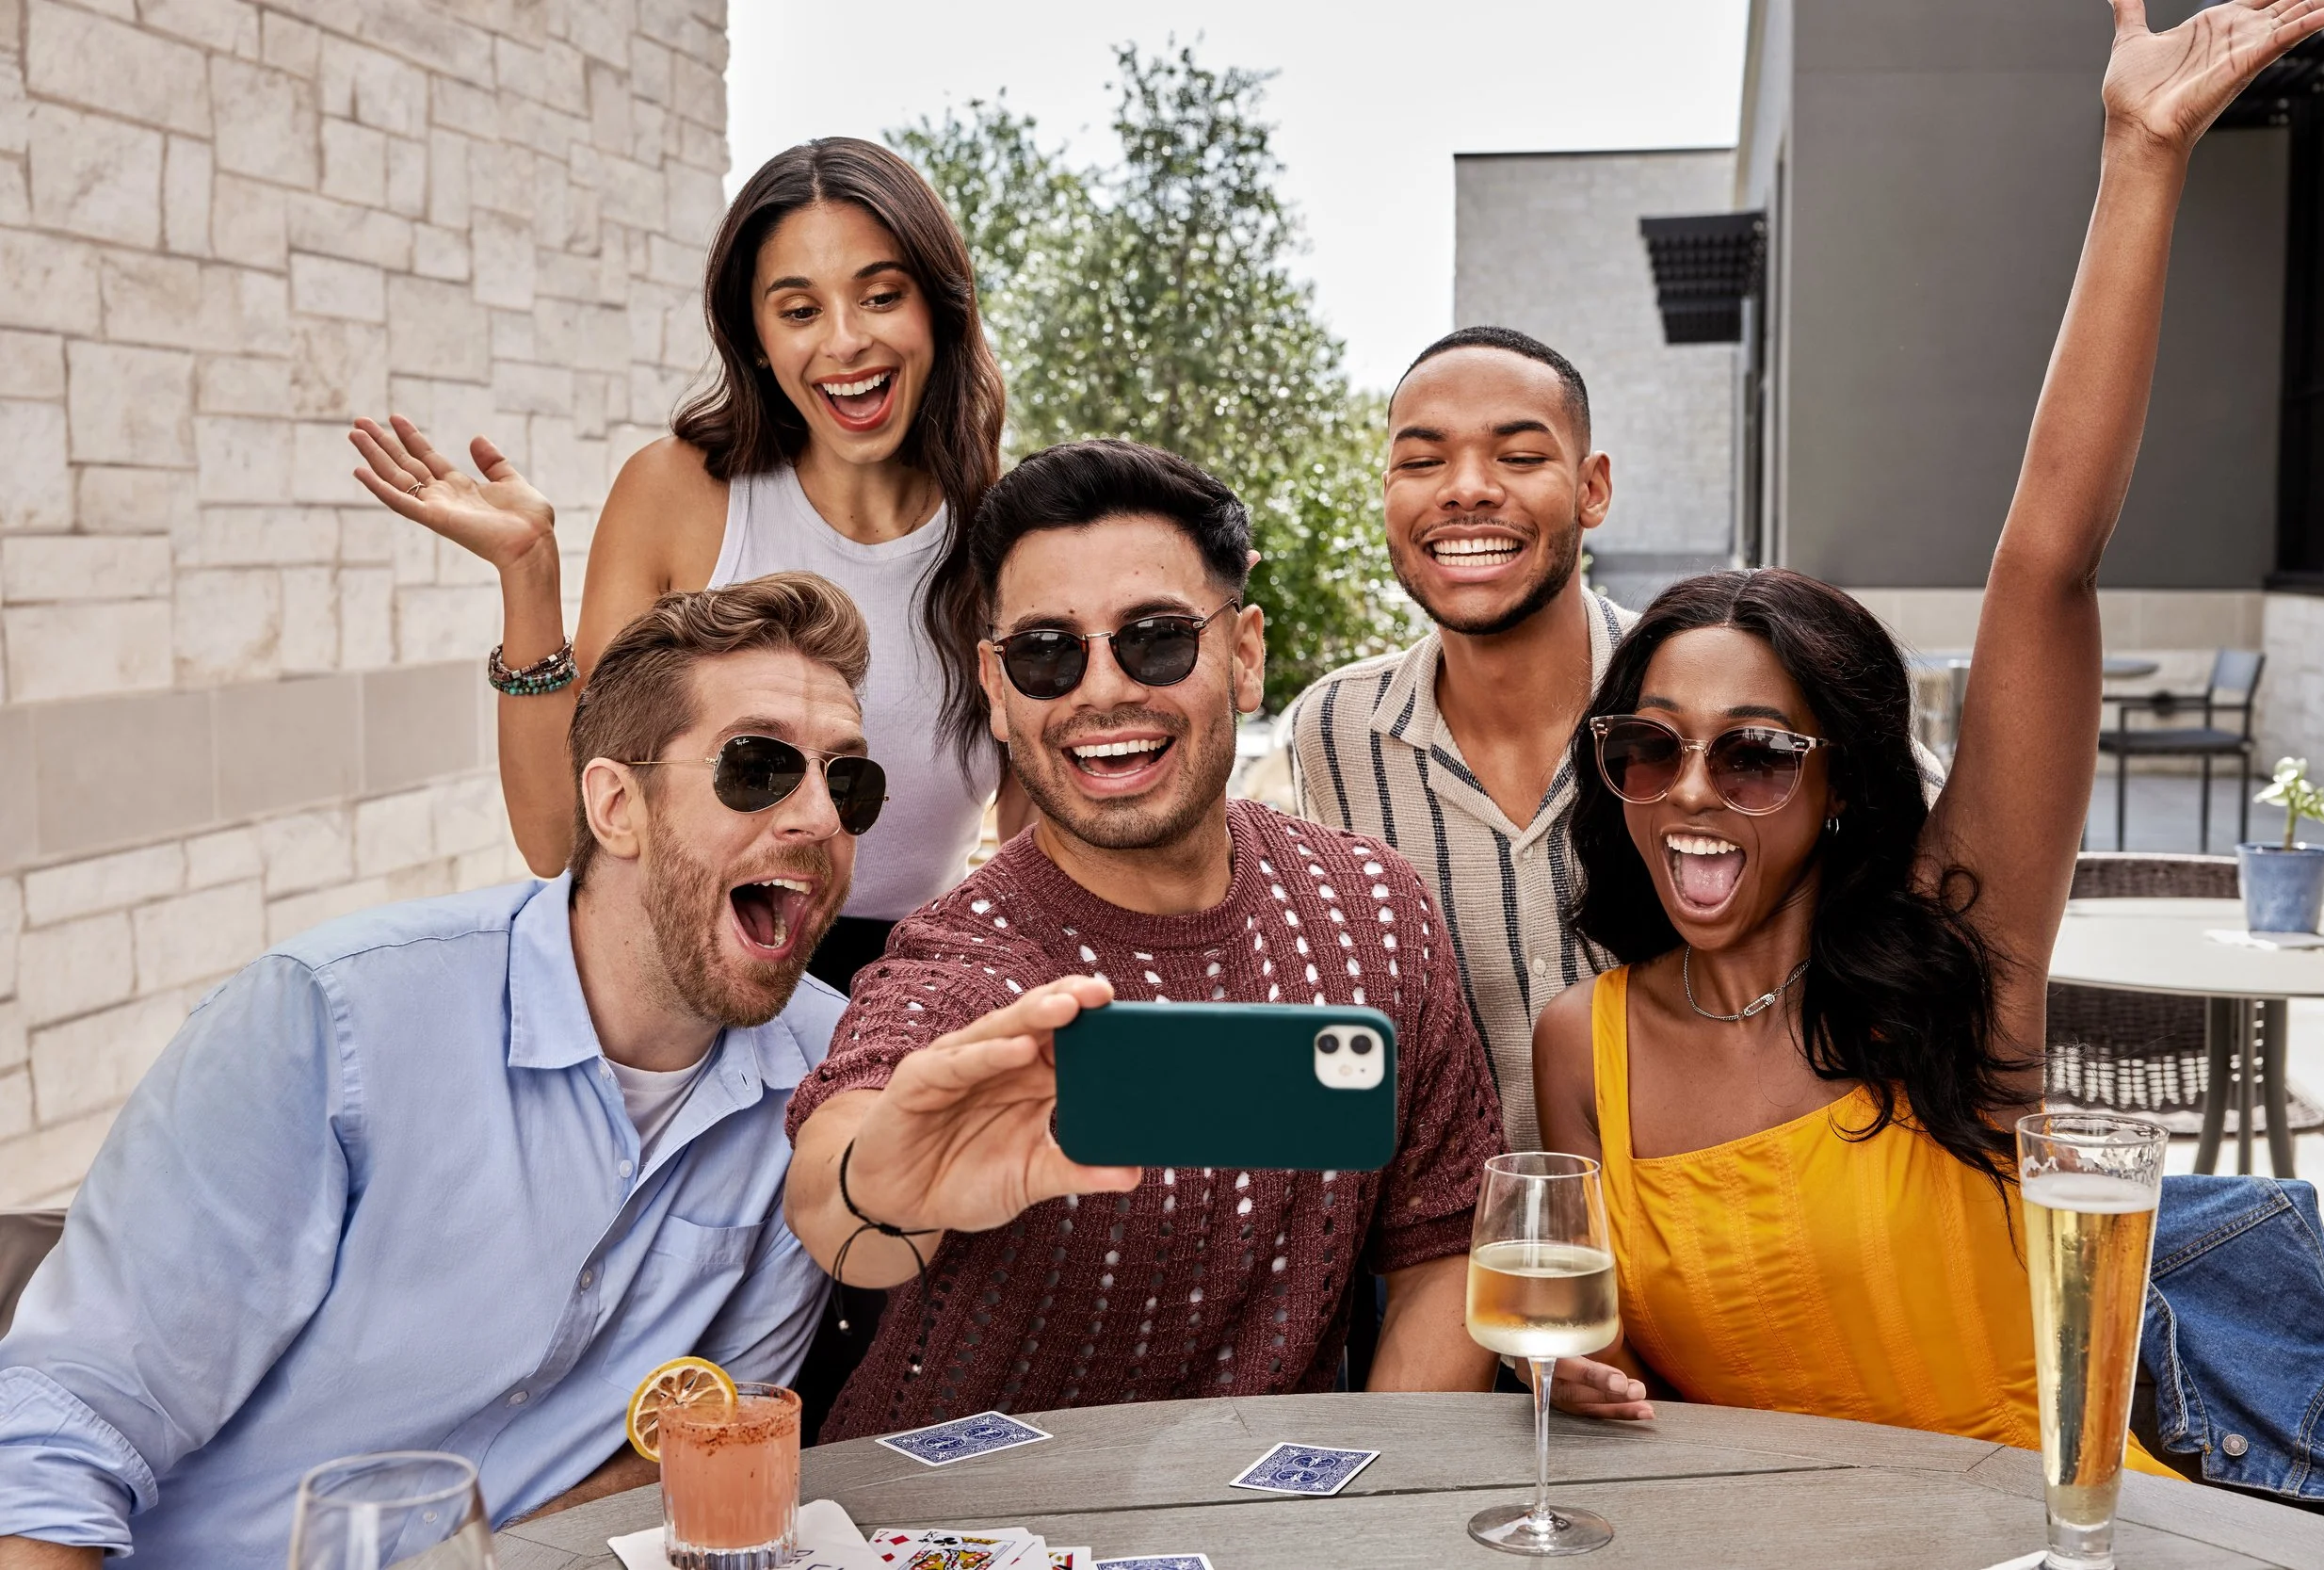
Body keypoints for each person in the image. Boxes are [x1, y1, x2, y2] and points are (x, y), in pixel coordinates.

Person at [1528, 0, 2324, 1460]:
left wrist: (2139, 156)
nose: (1692, 788)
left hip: (2047, 1533)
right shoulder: (1576, 1046)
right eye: (1650, 745)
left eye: (1756, 749)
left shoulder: (1948, 955)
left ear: (1836, 782)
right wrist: (1572, 1367)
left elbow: (2047, 568)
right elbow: (1602, 1351)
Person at [779, 439, 1651, 1438]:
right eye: (1046, 651)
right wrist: (883, 1183)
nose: (1100, 690)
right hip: (959, 1516)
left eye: (1153, 638)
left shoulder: (1373, 904)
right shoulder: (966, 954)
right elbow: (839, 1192)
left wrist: (1356, 1513)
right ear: (996, 686)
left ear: (1243, 654)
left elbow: (1442, 1247)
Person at [0, 575, 876, 1567]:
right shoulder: (329, 1019)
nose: (819, 817)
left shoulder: (826, 1072)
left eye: (848, 781)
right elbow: (65, 1431)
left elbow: (712, 1436)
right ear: (617, 803)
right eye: (757, 766)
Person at [348, 137, 1017, 996]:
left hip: (905, 1003)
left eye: (881, 296)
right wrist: (528, 575)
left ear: (939, 307)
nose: (846, 342)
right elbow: (562, 838)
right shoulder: (679, 493)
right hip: (691, 986)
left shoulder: (1000, 537)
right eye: (799, 310)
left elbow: (1037, 855)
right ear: (758, 336)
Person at [1286, 326, 1633, 1154]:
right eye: (1422, 461)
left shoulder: (1710, 694)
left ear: (1592, 489)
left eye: (1517, 457)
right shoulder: (1333, 733)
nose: (1466, 490)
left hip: (1717, 1238)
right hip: (1459, 1262)